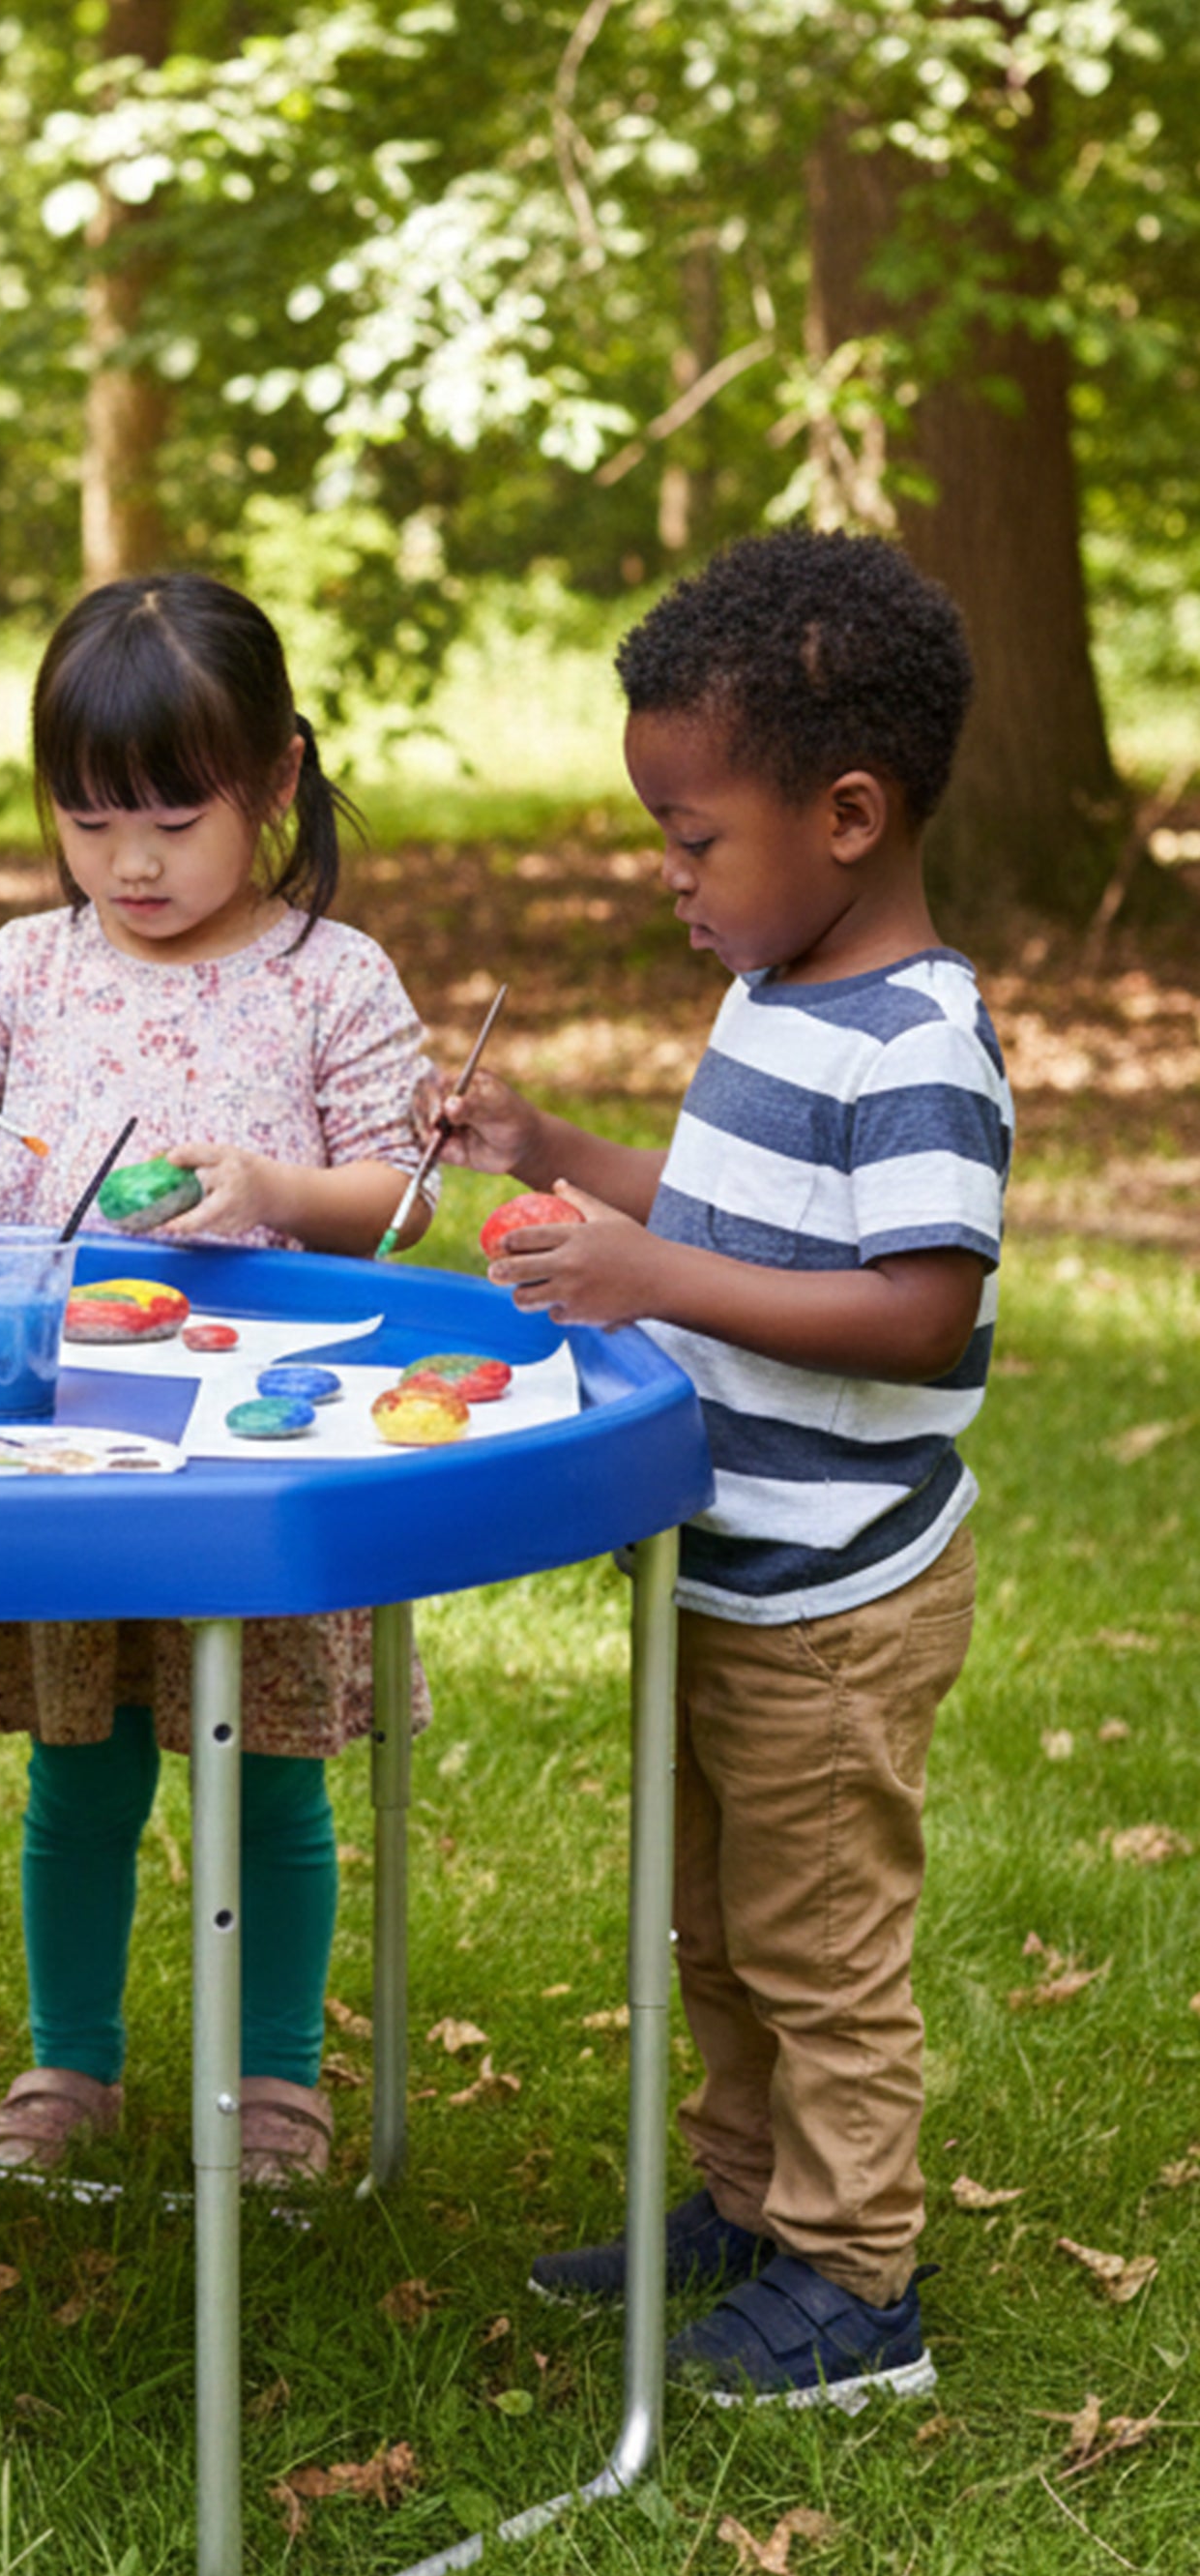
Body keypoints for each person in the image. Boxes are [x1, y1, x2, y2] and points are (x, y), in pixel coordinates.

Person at [423, 527, 1006, 2408]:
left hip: (838, 1595)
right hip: (729, 1561)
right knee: (719, 1919)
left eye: (693, 841)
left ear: (848, 813)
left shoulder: (917, 1038)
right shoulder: (781, 988)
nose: (668, 878)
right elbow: (744, 1220)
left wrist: (649, 1278)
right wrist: (564, 1149)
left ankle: (860, 2287)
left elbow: (918, 1309)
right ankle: (751, 2202)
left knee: (818, 1938)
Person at [0, 571, 436, 2183]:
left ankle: (278, 2081)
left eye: (175, 818)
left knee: (275, 1768)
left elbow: (400, 1191)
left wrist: (277, 1190)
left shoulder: (333, 978)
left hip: (265, 1451)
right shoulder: (29, 970)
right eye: (91, 819)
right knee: (79, 1755)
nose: (131, 862)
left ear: (278, 781)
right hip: (52, 1442)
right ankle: (70, 2069)